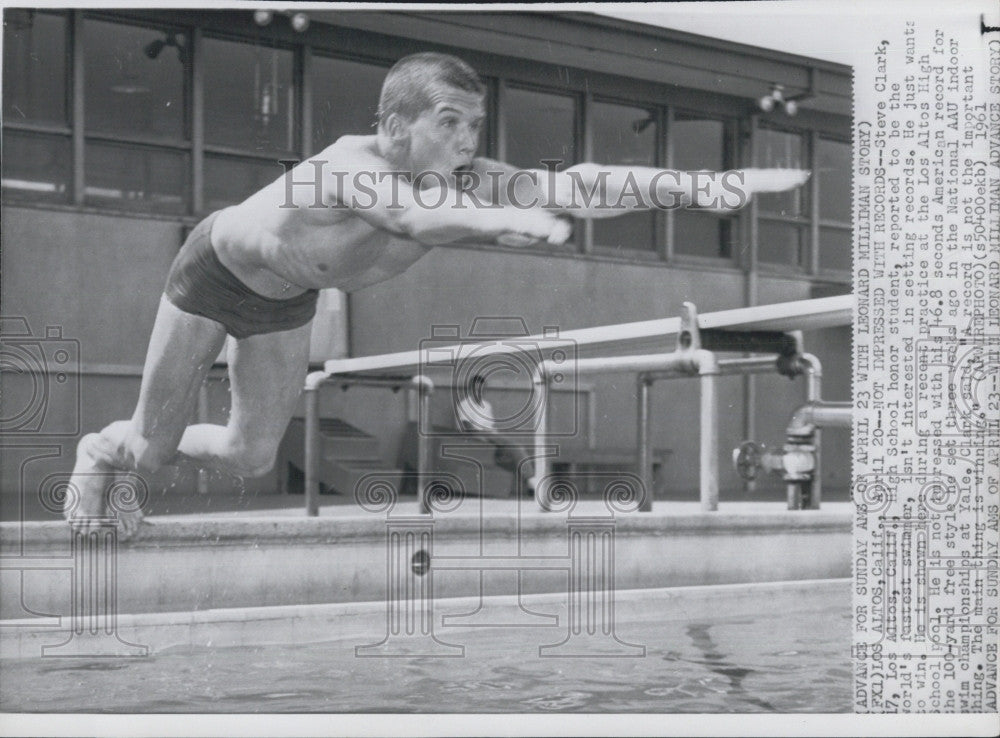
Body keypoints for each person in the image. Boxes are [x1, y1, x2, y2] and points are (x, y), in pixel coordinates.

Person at [66, 52, 809, 536]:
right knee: (149, 449)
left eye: (474, 125)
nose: (465, 140)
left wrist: (711, 185)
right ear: (393, 127)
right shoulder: (343, 170)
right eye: (447, 122)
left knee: (250, 454)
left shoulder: (467, 179)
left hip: (286, 304)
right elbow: (405, 215)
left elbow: (579, 185)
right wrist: (498, 217)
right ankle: (102, 447)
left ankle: (122, 446)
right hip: (212, 277)